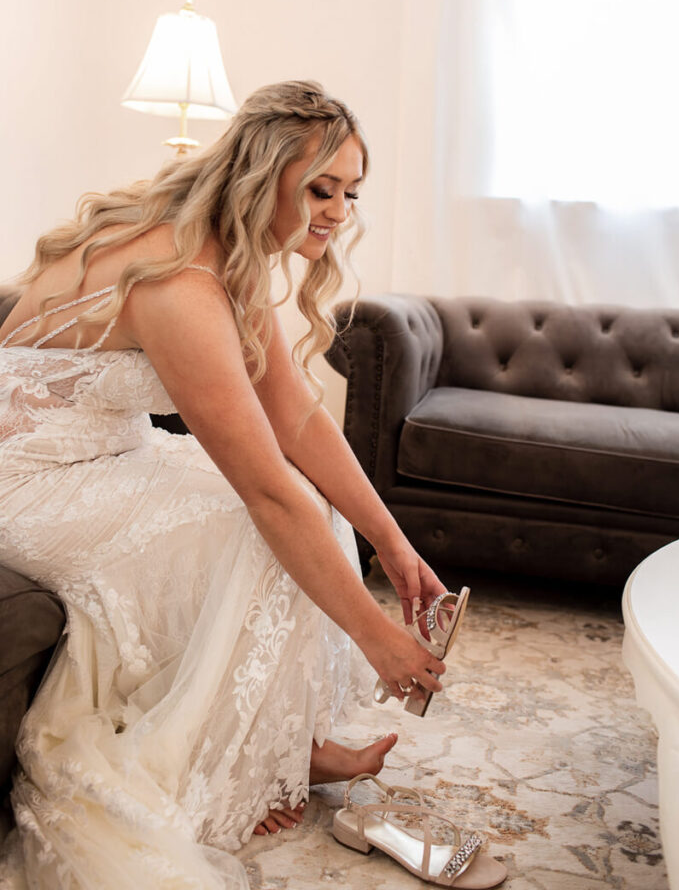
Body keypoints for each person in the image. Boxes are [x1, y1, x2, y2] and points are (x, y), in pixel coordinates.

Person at [0, 80, 448, 889]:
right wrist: (382, 641)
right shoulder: (176, 278)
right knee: (253, 530)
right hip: (26, 479)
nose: (339, 212)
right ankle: (237, 762)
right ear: (260, 174)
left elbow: (300, 422)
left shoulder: (218, 250)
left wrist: (394, 540)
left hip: (104, 450)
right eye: (320, 188)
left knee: (314, 515)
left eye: (350, 192)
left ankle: (280, 745)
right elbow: (265, 490)